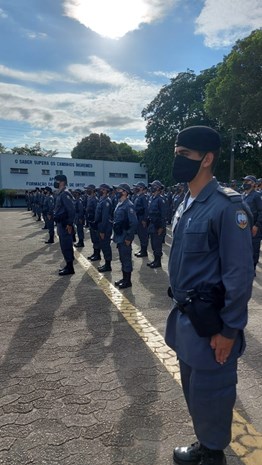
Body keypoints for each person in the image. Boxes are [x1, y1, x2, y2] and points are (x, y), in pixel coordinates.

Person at [165, 126, 254, 465]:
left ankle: (213, 454)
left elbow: (240, 275)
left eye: (184, 154)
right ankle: (205, 443)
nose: (178, 160)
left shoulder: (227, 207)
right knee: (195, 391)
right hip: (189, 320)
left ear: (207, 159)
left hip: (213, 324)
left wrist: (229, 330)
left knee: (213, 393)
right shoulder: (187, 200)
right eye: (177, 153)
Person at [112, 183, 138, 289]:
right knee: (122, 258)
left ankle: (128, 281)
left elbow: (134, 223)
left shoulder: (129, 205)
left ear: (125, 192)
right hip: (119, 235)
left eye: (119, 190)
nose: (117, 192)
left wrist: (129, 238)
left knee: (126, 258)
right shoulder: (119, 203)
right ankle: (124, 278)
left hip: (125, 236)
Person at [53, 174, 76, 276]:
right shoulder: (60, 193)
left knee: (66, 245)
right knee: (63, 245)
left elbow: (71, 210)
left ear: (62, 182)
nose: (55, 183)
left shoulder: (65, 194)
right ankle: (68, 265)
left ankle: (70, 267)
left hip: (65, 224)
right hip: (61, 224)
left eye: (57, 181)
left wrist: (69, 224)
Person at [242, 175, 262, 272]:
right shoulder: (243, 195)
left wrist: (257, 225)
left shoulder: (256, 196)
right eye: (245, 181)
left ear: (253, 184)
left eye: (248, 181)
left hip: (254, 228)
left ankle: (252, 269)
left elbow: (261, 211)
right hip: (244, 227)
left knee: (254, 250)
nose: (245, 183)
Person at [147, 180, 167, 268]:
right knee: (153, 244)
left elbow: (163, 215)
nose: (152, 188)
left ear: (158, 188)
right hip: (152, 224)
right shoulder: (152, 198)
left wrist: (161, 227)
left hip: (157, 226)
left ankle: (158, 262)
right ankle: (155, 260)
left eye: (153, 186)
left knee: (157, 244)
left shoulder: (160, 199)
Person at [95, 184, 113, 272]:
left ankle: (108, 265)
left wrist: (102, 230)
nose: (99, 191)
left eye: (101, 189)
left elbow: (105, 217)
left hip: (105, 227)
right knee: (103, 245)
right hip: (101, 226)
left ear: (105, 190)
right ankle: (106, 263)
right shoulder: (102, 200)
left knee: (106, 245)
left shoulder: (106, 201)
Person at [133, 182, 149, 257]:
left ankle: (144, 251)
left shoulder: (143, 197)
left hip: (142, 218)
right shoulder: (138, 196)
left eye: (138, 187)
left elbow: (146, 209)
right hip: (138, 218)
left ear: (142, 188)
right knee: (140, 234)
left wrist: (144, 220)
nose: (136, 188)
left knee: (143, 235)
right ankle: (142, 250)